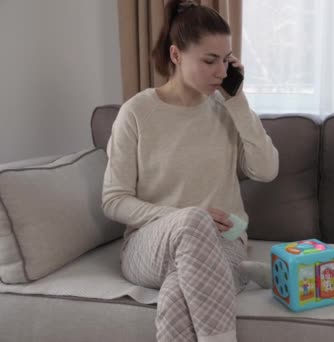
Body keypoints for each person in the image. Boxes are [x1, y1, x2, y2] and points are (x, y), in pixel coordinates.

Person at [101, 1, 278, 341]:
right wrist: (184, 217)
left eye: (226, 61)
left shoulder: (228, 111)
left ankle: (234, 274)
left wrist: (238, 101)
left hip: (223, 242)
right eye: (210, 61)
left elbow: (266, 170)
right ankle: (235, 281)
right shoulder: (136, 112)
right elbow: (113, 201)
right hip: (148, 244)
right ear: (176, 55)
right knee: (192, 221)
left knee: (175, 297)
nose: (221, 72)